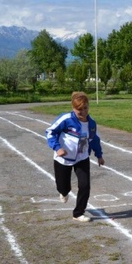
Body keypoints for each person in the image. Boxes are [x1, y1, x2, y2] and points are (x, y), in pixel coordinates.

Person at [45, 92, 105, 223]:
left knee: (85, 185)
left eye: (85, 108)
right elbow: (50, 132)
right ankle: (64, 191)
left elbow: (94, 139)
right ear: (73, 108)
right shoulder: (66, 119)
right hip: (63, 158)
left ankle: (78, 213)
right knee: (63, 186)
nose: (83, 112)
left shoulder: (92, 123)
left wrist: (99, 155)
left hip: (82, 158)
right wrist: (57, 148)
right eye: (79, 109)